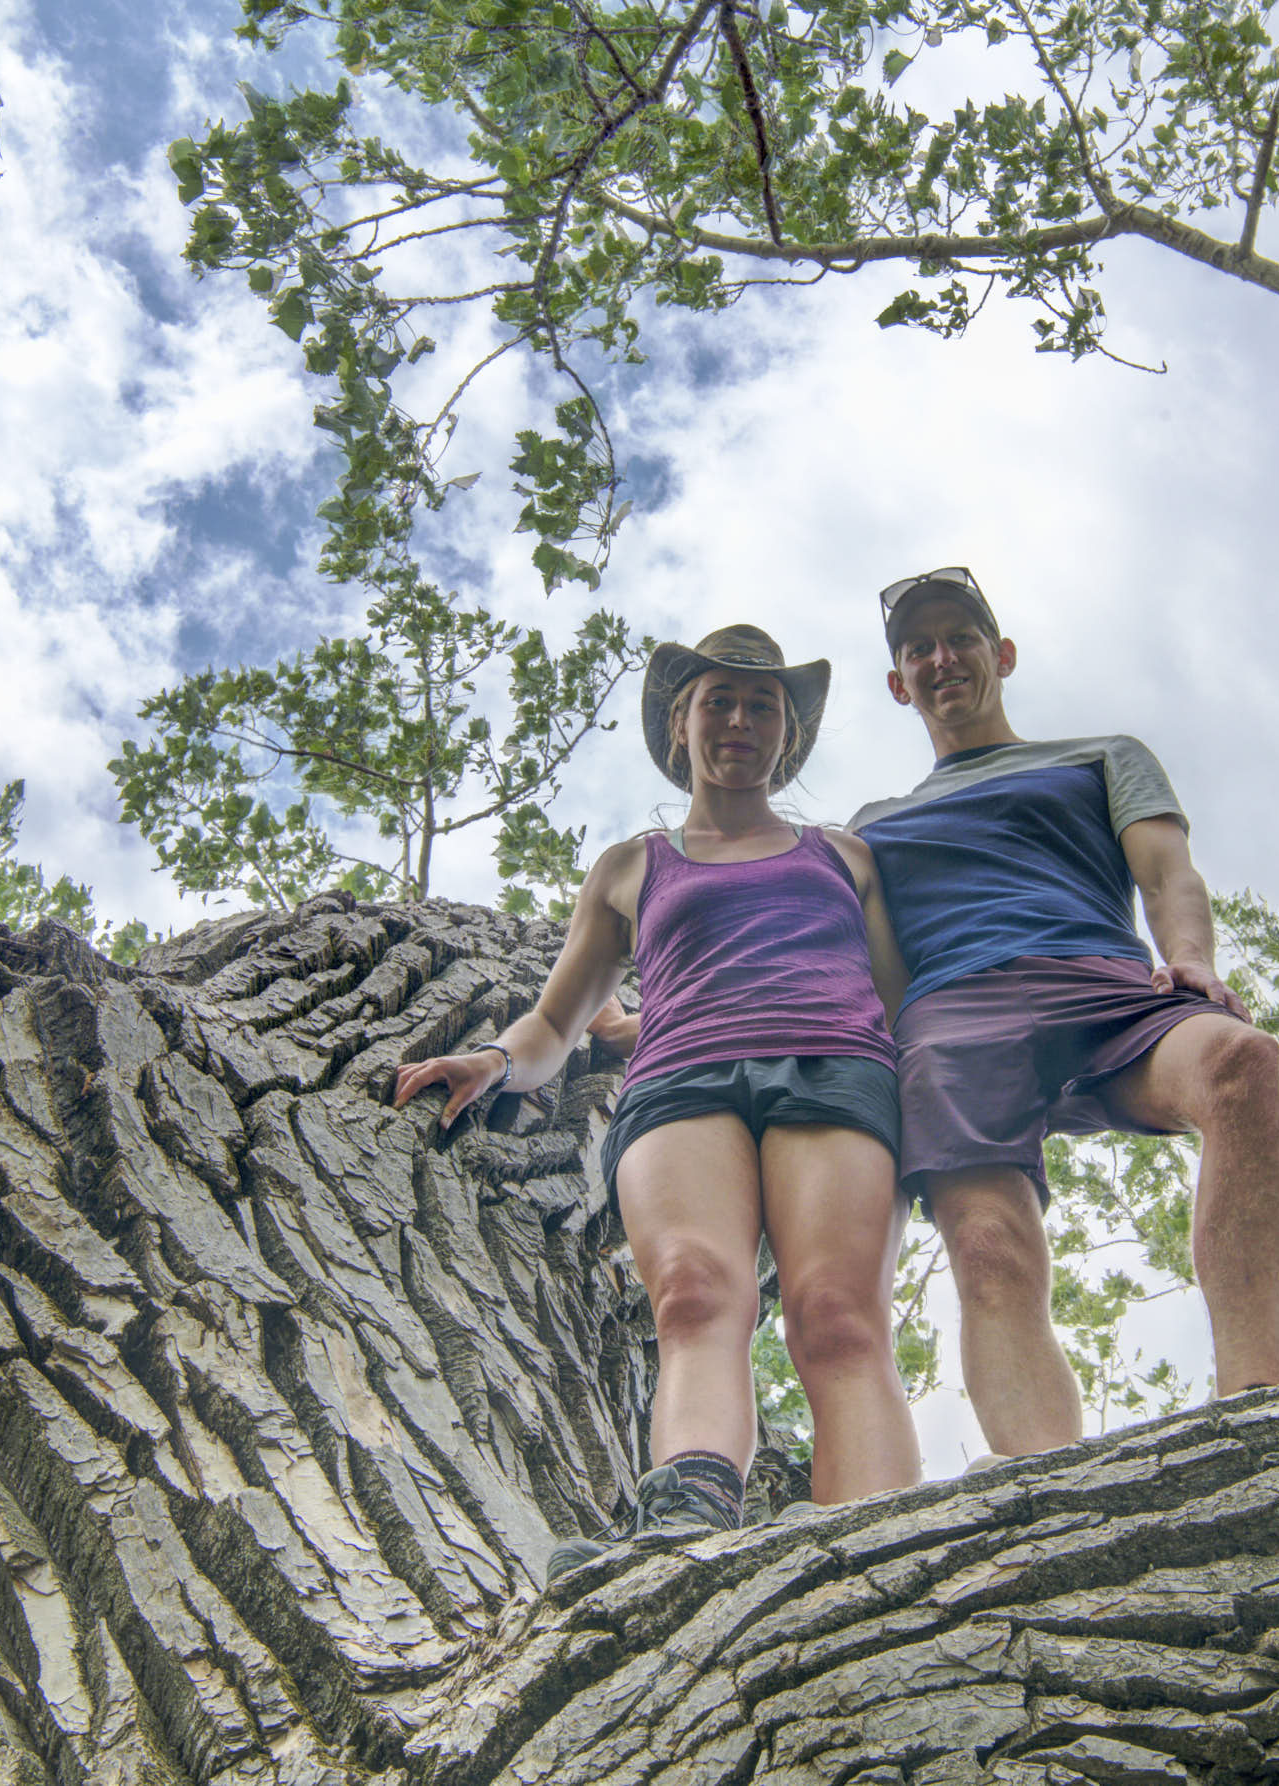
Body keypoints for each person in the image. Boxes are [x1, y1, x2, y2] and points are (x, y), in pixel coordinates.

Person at [393, 625, 921, 1581]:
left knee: (838, 1312)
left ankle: (877, 1550)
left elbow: (895, 999)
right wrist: (493, 1062)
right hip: (682, 1080)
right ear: (680, 724)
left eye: (763, 706)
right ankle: (684, 1527)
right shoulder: (631, 867)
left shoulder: (845, 856)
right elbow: (556, 1023)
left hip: (835, 1067)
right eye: (719, 701)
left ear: (787, 735)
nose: (740, 720)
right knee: (691, 1291)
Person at [851, 567, 1279, 1459]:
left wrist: (1192, 959)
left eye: (961, 638)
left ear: (1002, 654)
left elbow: (1167, 873)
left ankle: (1258, 1415)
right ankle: (1046, 1482)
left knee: (1240, 1063)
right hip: (951, 1017)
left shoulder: (1101, 756)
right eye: (918, 649)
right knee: (986, 1244)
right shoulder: (871, 825)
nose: (942, 659)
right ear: (899, 683)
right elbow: (870, 964)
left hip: (1103, 985)